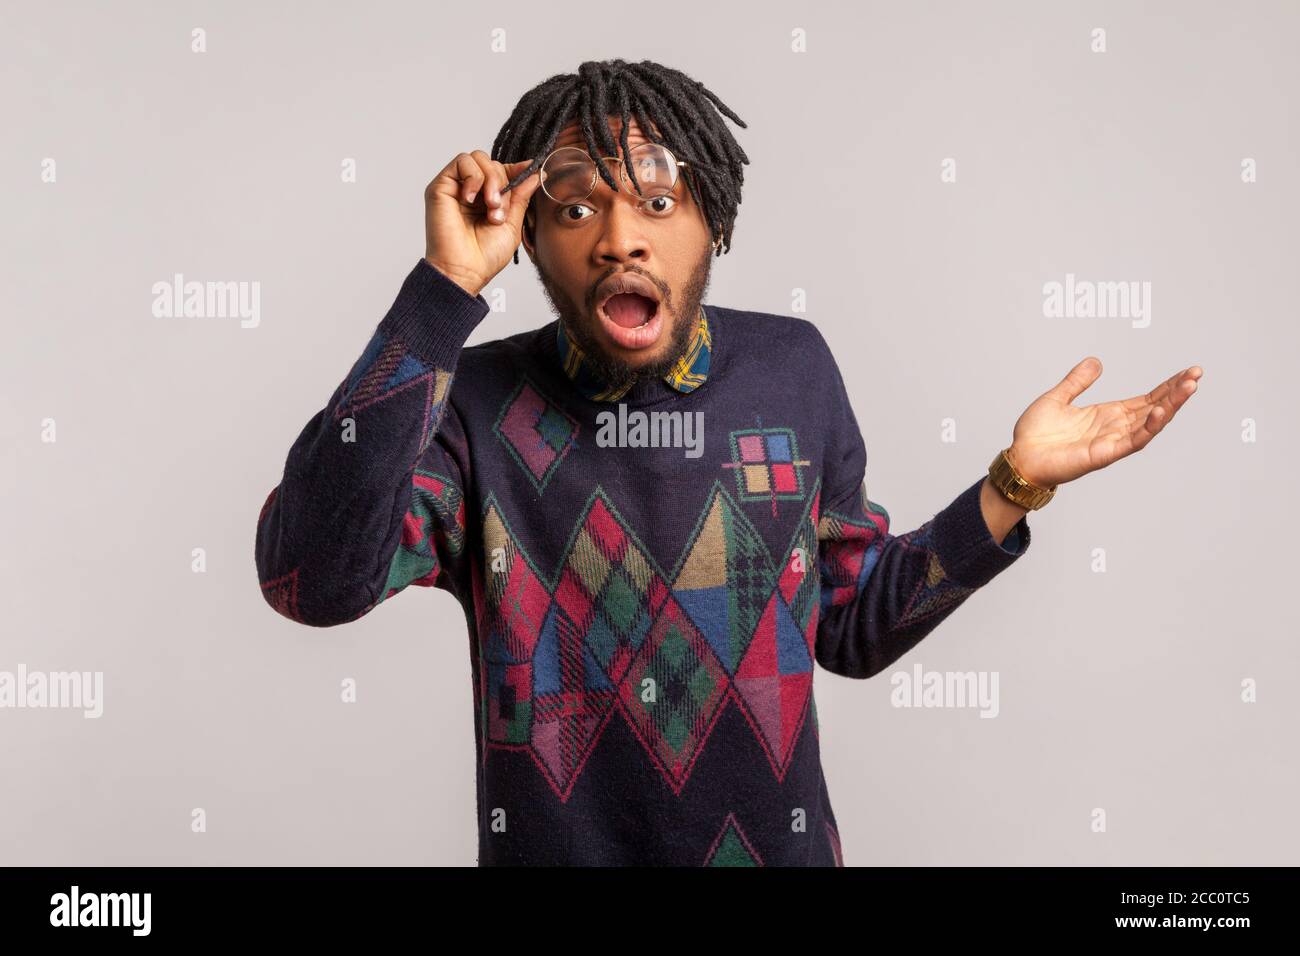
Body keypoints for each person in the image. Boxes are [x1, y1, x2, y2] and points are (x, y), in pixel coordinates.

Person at [254, 58, 1202, 866]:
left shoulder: (792, 371)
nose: (621, 237)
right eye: (578, 207)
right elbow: (314, 578)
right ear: (531, 240)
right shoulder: (477, 402)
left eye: (659, 202)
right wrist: (441, 295)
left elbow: (853, 624)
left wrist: (1009, 486)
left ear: (713, 219)